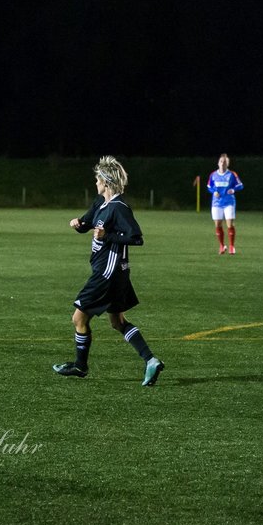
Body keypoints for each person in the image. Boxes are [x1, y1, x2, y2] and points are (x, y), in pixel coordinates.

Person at [53, 156, 165, 386]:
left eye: (97, 179)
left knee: (79, 317)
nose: (95, 183)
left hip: (108, 273)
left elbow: (136, 238)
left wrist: (108, 237)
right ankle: (151, 360)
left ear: (105, 182)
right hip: (115, 274)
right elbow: (87, 225)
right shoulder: (100, 204)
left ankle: (80, 366)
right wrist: (78, 224)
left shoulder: (119, 208)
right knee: (117, 321)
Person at [207, 153, 244, 255]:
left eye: (225, 162)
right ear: (218, 163)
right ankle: (222, 246)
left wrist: (233, 189)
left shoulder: (232, 174)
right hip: (216, 203)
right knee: (218, 225)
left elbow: (240, 185)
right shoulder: (213, 175)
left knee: (229, 224)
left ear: (228, 164)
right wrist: (213, 191)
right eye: (221, 161)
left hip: (229, 202)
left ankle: (232, 246)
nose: (223, 163)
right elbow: (209, 187)